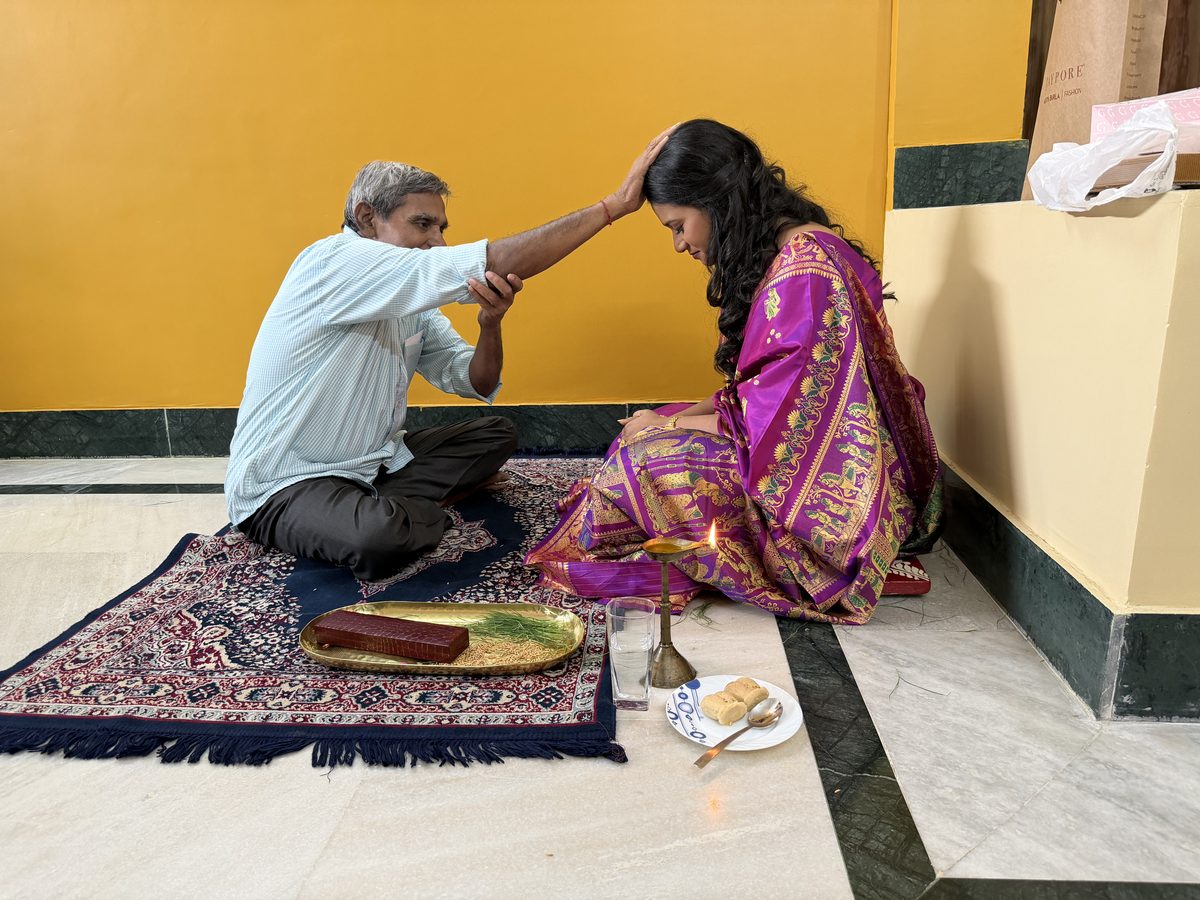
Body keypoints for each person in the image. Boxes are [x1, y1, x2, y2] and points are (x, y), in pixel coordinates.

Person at [526, 120, 942, 623]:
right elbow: (755, 396)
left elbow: (785, 433)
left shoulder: (804, 274)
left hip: (835, 504)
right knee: (650, 426)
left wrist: (669, 427)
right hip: (830, 458)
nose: (679, 245)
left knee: (642, 462)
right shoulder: (791, 251)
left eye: (678, 226)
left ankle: (827, 565)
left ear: (716, 202)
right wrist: (669, 417)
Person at [226, 128, 675, 582]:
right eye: (422, 224)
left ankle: (382, 502)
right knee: (377, 540)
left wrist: (490, 325)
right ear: (366, 218)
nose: (437, 241)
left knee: (496, 434)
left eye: (441, 228)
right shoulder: (334, 261)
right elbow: (492, 262)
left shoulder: (408, 302)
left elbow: (473, 382)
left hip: (372, 465)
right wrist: (613, 207)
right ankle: (401, 512)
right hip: (286, 483)